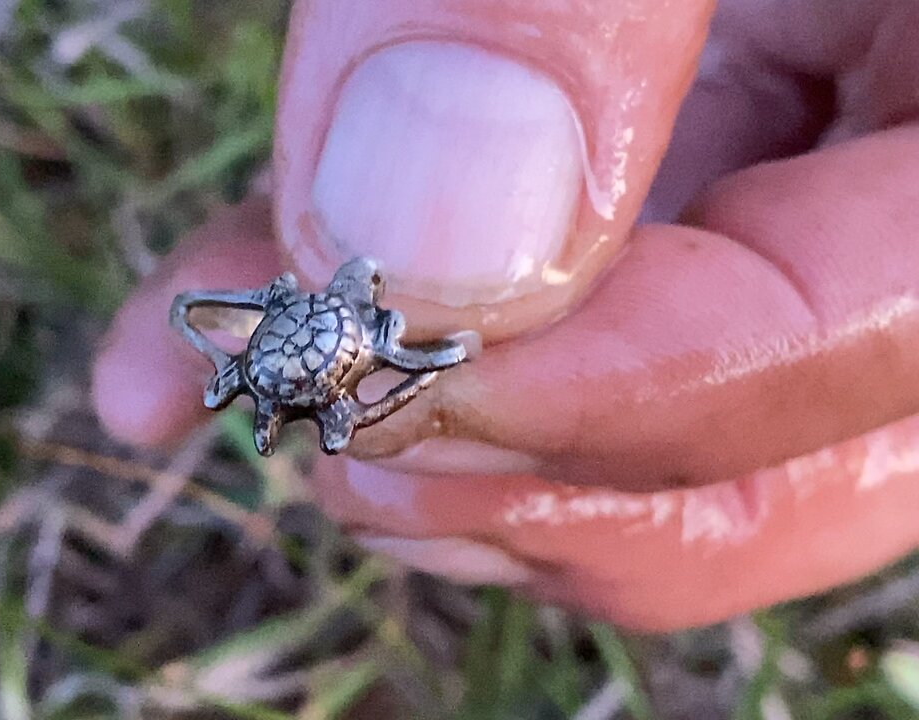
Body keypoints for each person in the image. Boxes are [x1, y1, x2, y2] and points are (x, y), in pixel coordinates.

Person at [91, 0, 919, 631]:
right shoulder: (345, 334)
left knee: (399, 387)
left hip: (322, 338)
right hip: (316, 346)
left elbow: (355, 370)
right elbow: (334, 386)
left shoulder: (354, 307)